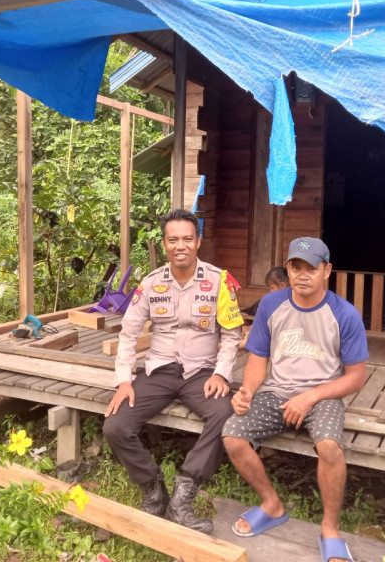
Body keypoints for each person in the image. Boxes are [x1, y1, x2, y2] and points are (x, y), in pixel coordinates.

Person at [222, 237, 368, 562]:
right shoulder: (271, 305)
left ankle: (330, 529)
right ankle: (271, 504)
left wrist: (311, 396)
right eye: (295, 267)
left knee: (329, 446)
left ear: (326, 271)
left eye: (311, 268)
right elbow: (258, 358)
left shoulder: (344, 314)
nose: (302, 275)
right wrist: (248, 391)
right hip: (277, 392)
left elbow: (357, 377)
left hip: (323, 396)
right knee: (233, 435)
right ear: (287, 269)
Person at [104, 209, 243, 534]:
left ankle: (183, 496)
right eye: (173, 239)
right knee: (115, 425)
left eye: (187, 239)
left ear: (198, 242)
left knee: (224, 413)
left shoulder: (219, 281)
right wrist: (124, 380)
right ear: (165, 244)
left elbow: (231, 334)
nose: (181, 246)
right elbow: (128, 333)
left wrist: (222, 374)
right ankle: (153, 489)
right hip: (159, 371)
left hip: (202, 373)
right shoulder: (151, 284)